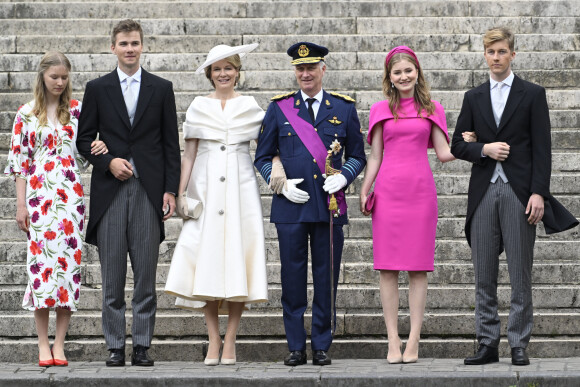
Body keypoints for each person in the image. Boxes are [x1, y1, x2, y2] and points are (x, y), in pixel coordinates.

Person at [451, 27, 578, 366]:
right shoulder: (473, 97)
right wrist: (484, 148)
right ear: (484, 55)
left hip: (519, 192)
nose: (496, 57)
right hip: (483, 193)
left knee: (520, 271)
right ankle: (487, 342)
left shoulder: (532, 94)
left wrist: (539, 192)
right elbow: (457, 146)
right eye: (491, 52)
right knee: (483, 273)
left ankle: (518, 342)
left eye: (502, 51)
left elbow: (543, 149)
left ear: (512, 54)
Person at [359, 46, 476, 364]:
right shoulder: (380, 109)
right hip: (388, 193)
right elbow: (375, 156)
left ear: (417, 71)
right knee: (386, 269)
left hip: (420, 195)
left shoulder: (432, 108)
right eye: (397, 72)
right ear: (390, 78)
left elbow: (443, 152)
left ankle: (413, 341)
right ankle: (392, 340)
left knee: (417, 269)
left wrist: (469, 143)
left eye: (408, 70)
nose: (404, 76)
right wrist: (364, 189)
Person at [76, 19, 181, 367]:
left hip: (149, 191)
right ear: (113, 48)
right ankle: (115, 345)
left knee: (146, 276)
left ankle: (142, 346)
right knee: (112, 277)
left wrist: (170, 191)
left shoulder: (161, 88)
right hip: (111, 192)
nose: (130, 49)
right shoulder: (98, 88)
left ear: (142, 46)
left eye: (135, 43)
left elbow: (170, 145)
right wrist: (107, 162)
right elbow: (83, 140)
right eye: (123, 43)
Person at [254, 42, 366, 366]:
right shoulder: (280, 108)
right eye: (300, 69)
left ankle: (320, 344)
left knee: (325, 276)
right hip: (291, 207)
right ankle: (294, 345)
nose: (305, 73)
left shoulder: (343, 109)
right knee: (291, 278)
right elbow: (261, 156)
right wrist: (280, 184)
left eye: (311, 68)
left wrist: (345, 177)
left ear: (323, 70)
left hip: (328, 206)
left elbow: (358, 154)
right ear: (295, 72)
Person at [164, 43, 268, 366]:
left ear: (238, 71)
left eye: (229, 67)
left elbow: (266, 147)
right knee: (205, 261)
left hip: (241, 188)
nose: (223, 73)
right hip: (205, 187)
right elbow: (189, 155)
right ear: (209, 74)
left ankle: (232, 339)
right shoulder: (197, 106)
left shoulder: (251, 106)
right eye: (217, 68)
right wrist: (180, 194)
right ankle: (213, 339)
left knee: (240, 259)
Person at [5, 51, 107, 367]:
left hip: (70, 200)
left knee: (67, 271)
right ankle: (41, 345)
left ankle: (59, 345)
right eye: (54, 77)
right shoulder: (26, 113)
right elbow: (19, 164)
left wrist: (100, 147)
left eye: (64, 77)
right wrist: (21, 205)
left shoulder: (77, 111)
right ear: (43, 77)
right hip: (38, 200)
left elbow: (87, 148)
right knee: (40, 271)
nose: (60, 82)